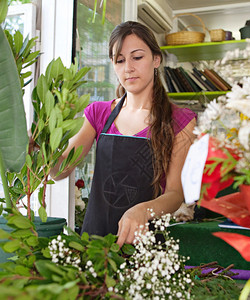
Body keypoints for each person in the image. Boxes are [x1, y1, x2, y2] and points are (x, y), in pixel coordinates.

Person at [52, 21, 196, 247]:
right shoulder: (98, 113)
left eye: (137, 57)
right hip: (93, 244)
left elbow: (176, 194)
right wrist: (38, 147)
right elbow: (59, 171)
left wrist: (142, 211)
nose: (128, 67)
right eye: (120, 60)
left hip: (144, 246)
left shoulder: (179, 120)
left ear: (156, 60)